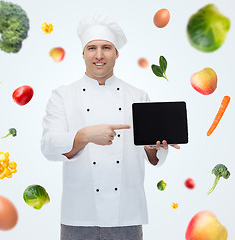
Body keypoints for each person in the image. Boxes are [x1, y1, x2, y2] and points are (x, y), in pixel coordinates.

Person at [41, 12, 180, 240]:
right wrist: (84, 135)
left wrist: (153, 148)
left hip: (126, 215)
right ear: (83, 53)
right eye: (92, 48)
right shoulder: (63, 95)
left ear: (116, 53)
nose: (99, 55)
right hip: (79, 216)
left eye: (106, 48)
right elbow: (48, 146)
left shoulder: (138, 95)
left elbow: (152, 155)